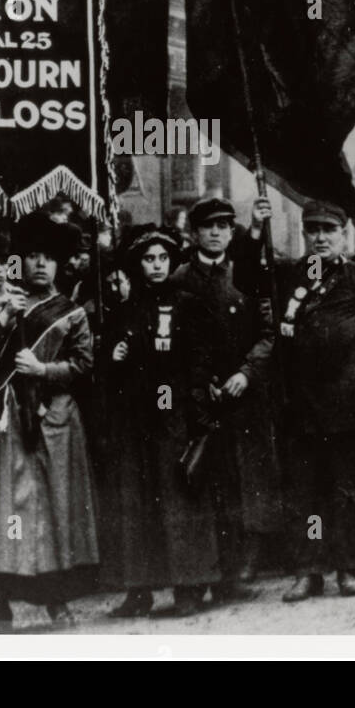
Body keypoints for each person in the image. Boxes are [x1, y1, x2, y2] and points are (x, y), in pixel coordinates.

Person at [0, 212, 99, 633]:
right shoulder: (1, 307)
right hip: (7, 417)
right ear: (19, 263)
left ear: (59, 265)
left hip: (53, 419)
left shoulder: (73, 313)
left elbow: (84, 366)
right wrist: (5, 321)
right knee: (7, 510)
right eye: (32, 257)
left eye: (48, 258)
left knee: (52, 508)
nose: (40, 265)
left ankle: (55, 598)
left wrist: (43, 370)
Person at [99, 225, 224, 618]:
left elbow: (201, 359)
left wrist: (190, 405)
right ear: (138, 264)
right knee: (137, 503)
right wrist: (115, 356)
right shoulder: (123, 309)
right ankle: (139, 589)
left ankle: (189, 585)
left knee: (178, 500)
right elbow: (108, 368)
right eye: (148, 259)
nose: (155, 266)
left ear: (171, 262)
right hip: (134, 420)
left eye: (162, 259)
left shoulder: (186, 303)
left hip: (173, 414)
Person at [277, 200, 355, 601]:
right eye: (313, 230)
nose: (321, 237)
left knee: (348, 490)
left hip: (348, 399)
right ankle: (309, 570)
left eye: (329, 229)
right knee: (306, 495)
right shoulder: (291, 275)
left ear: (343, 234)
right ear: (304, 234)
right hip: (304, 404)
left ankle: (348, 567)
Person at [170, 197, 280, 600]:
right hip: (203, 398)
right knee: (207, 485)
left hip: (245, 395)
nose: (216, 232)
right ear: (194, 233)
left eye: (223, 226)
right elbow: (176, 342)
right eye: (208, 226)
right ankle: (211, 572)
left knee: (246, 482)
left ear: (232, 232)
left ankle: (238, 570)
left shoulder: (247, 272)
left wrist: (246, 373)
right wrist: (202, 383)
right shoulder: (179, 278)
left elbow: (269, 333)